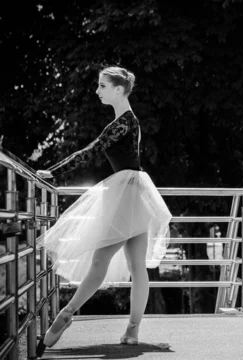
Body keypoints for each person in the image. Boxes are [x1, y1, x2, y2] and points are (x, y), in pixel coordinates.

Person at [36, 65, 173, 348]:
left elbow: (90, 151)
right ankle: (131, 330)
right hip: (133, 193)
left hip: (127, 194)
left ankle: (67, 313)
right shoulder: (128, 121)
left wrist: (53, 171)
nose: (97, 91)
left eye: (102, 86)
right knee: (136, 267)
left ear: (118, 89)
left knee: (105, 261)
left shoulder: (123, 122)